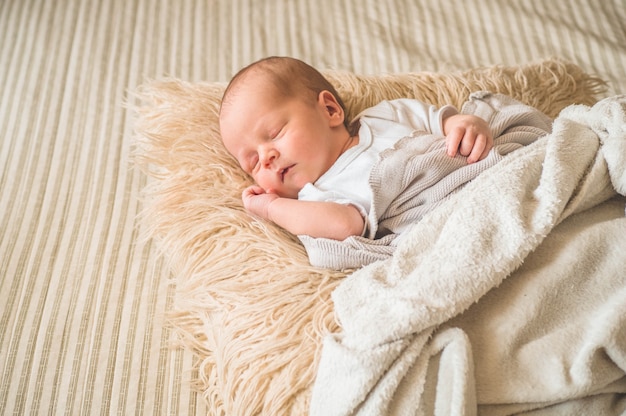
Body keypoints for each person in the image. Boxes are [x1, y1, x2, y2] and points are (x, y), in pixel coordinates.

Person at [219, 56, 498, 243]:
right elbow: (345, 226)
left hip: (483, 178)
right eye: (253, 162)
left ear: (329, 110)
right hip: (448, 227)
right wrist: (272, 207)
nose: (266, 158)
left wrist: (466, 124)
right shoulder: (317, 198)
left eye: (274, 133)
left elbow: (442, 123)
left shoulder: (382, 116)